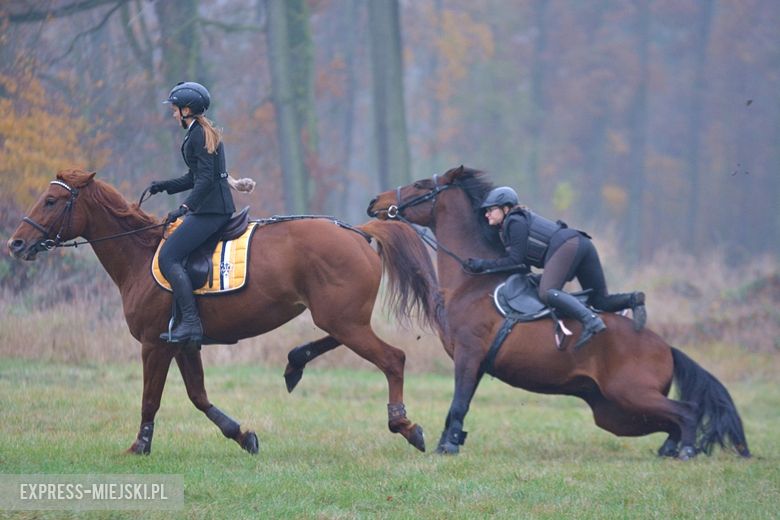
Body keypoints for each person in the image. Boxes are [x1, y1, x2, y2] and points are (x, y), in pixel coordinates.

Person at [465, 186, 646, 350]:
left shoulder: (514, 221)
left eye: (491, 210)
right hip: (580, 243)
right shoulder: (515, 221)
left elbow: (514, 261)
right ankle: (633, 299)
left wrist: (482, 265)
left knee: (547, 292)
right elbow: (523, 264)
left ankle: (591, 321)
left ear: (505, 208)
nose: (487, 214)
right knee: (599, 301)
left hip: (568, 245)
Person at [147, 81, 236, 346]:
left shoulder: (198, 134)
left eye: (175, 110)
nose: (173, 114)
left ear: (187, 110)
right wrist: (165, 186)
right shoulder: (199, 131)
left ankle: (191, 323)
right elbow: (194, 177)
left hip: (211, 211)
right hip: (212, 207)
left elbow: (205, 180)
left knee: (168, 257)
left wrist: (185, 208)